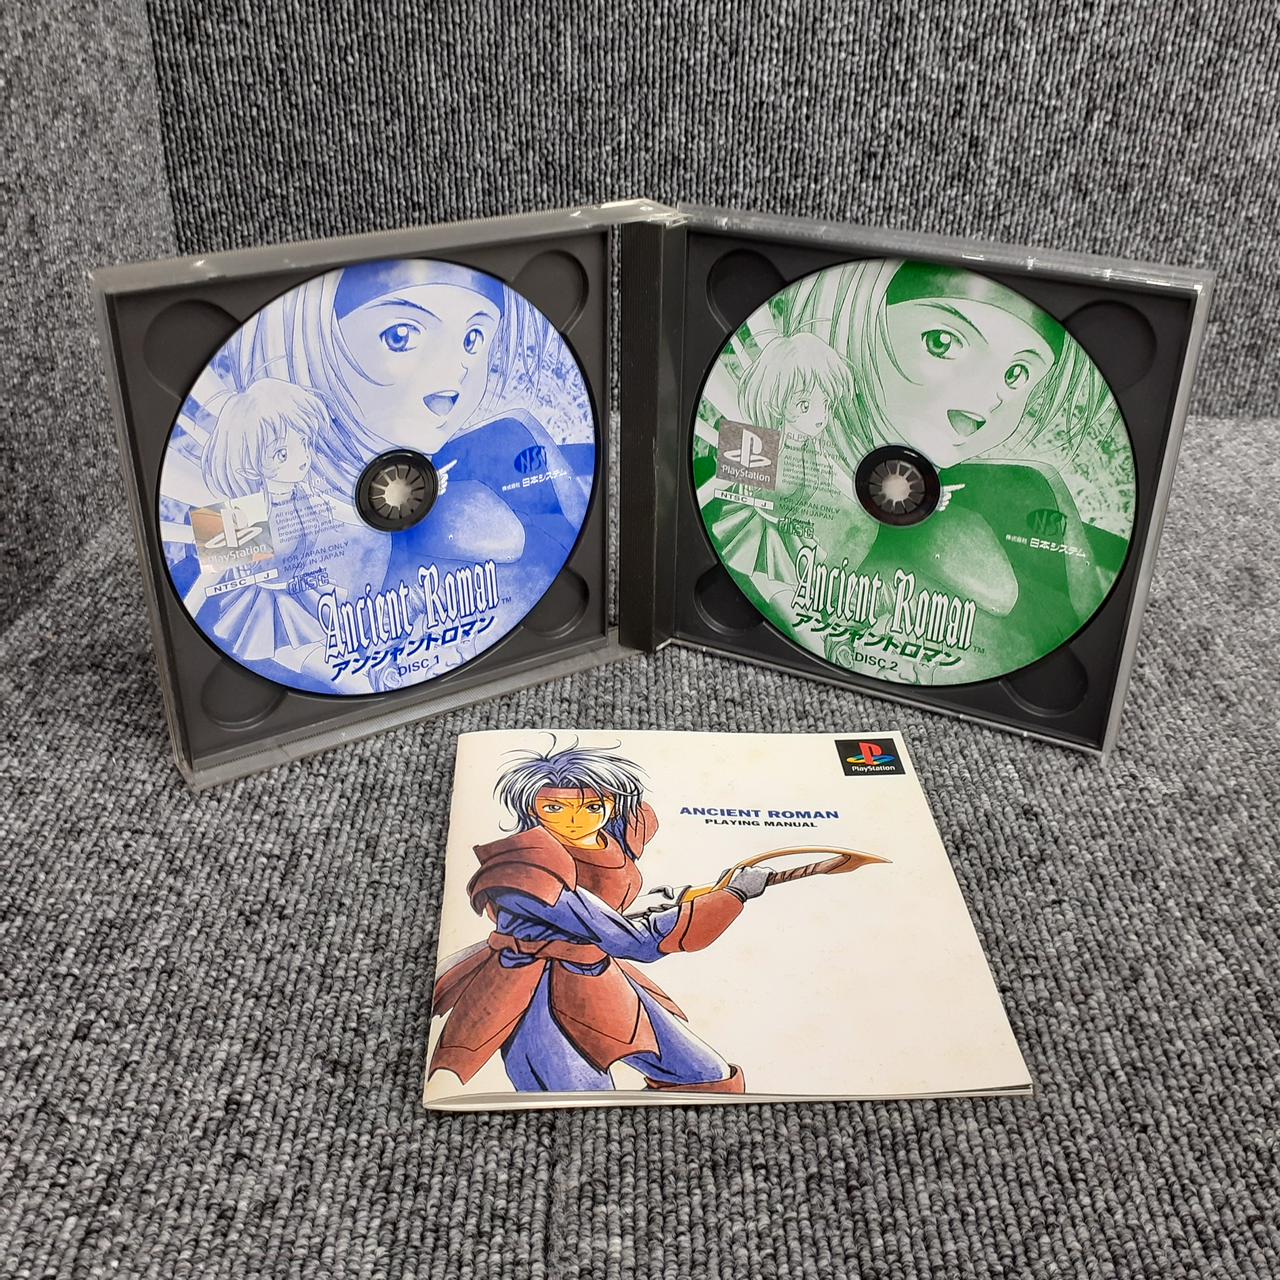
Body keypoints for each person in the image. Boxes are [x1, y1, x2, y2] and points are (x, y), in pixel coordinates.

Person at [429, 743, 769, 1094]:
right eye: (554, 808)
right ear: (533, 807)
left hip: (598, 978)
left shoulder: (609, 840)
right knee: (580, 1097)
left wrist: (696, 895)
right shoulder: (522, 871)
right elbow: (631, 940)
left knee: (706, 1076)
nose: (574, 821)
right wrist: (732, 897)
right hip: (535, 994)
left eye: (592, 807)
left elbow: (611, 910)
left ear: (612, 805)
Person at [194, 378, 374, 691]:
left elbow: (354, 512)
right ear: (251, 465)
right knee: (347, 678)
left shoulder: (305, 492)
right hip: (270, 612)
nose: (302, 457)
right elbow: (207, 578)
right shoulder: (247, 512)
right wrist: (187, 618)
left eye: (303, 442)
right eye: (281, 453)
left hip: (309, 594)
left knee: (365, 657)